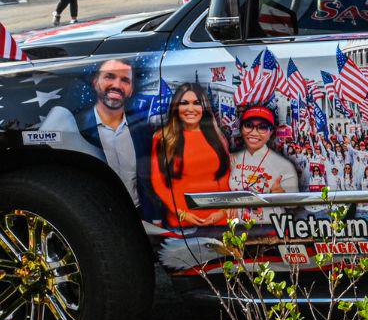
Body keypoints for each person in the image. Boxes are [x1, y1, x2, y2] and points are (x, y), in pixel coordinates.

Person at [39, 59, 156, 213]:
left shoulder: (142, 129)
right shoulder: (75, 127)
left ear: (131, 90)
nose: (117, 85)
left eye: (125, 80)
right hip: (96, 215)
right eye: (109, 76)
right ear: (95, 83)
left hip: (139, 216)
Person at [151, 83, 231, 228]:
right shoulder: (163, 138)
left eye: (196, 103)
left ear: (203, 107)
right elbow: (158, 182)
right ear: (176, 107)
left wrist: (222, 211)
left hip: (219, 221)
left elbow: (225, 177)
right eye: (184, 103)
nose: (190, 108)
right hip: (182, 222)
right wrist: (181, 213)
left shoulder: (218, 137)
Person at [228, 105, 300, 195]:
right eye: (248, 125)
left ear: (271, 132)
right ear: (241, 129)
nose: (254, 132)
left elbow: (293, 201)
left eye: (262, 127)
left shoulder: (285, 167)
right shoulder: (231, 160)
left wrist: (283, 196)